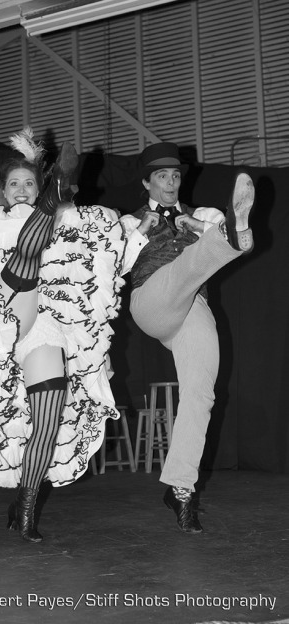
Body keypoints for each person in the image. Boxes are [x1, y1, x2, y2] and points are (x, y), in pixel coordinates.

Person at [0, 128, 127, 542]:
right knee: (23, 263)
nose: (21, 190)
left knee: (47, 419)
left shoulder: (71, 226)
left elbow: (91, 285)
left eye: (30, 184)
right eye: (14, 185)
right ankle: (56, 188)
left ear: (39, 189)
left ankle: (25, 508)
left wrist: (96, 345)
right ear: (3, 193)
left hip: (43, 328)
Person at [120, 141, 255, 533]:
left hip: (190, 306)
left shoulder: (202, 214)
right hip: (152, 300)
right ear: (147, 182)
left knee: (201, 394)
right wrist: (142, 232)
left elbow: (205, 230)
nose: (171, 182)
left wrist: (197, 227)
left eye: (176, 176)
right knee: (188, 265)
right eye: (162, 176)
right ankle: (233, 236)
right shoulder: (129, 222)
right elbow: (116, 265)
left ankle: (180, 489)